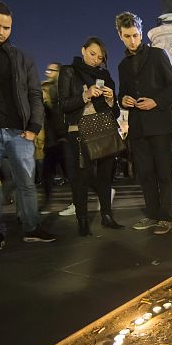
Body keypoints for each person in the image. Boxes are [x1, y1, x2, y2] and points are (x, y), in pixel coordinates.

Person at [0, 0, 55, 250]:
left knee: (27, 183)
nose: (2, 32)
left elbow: (34, 94)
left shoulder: (21, 57)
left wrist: (34, 126)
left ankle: (31, 227)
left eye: (7, 27)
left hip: (20, 131)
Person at [116, 11, 172, 234]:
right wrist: (122, 100)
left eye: (135, 35)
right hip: (137, 128)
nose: (132, 40)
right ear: (120, 35)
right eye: (127, 36)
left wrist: (155, 102)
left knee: (163, 172)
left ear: (141, 33)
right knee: (145, 174)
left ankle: (165, 217)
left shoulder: (157, 54)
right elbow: (122, 94)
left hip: (160, 125)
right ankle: (152, 215)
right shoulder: (123, 65)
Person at [58, 37, 122, 236]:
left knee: (105, 176)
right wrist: (85, 96)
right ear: (83, 50)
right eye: (92, 54)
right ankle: (83, 220)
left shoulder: (105, 76)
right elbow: (64, 105)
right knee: (80, 178)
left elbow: (116, 113)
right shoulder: (69, 71)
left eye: (100, 57)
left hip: (103, 129)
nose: (96, 60)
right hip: (78, 131)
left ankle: (107, 216)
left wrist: (111, 101)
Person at [39, 62, 67, 213]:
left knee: (69, 173)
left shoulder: (57, 90)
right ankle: (46, 202)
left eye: (52, 70)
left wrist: (62, 135)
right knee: (48, 173)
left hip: (60, 139)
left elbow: (57, 114)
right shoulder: (47, 87)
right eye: (47, 69)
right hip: (52, 139)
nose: (48, 72)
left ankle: (102, 192)